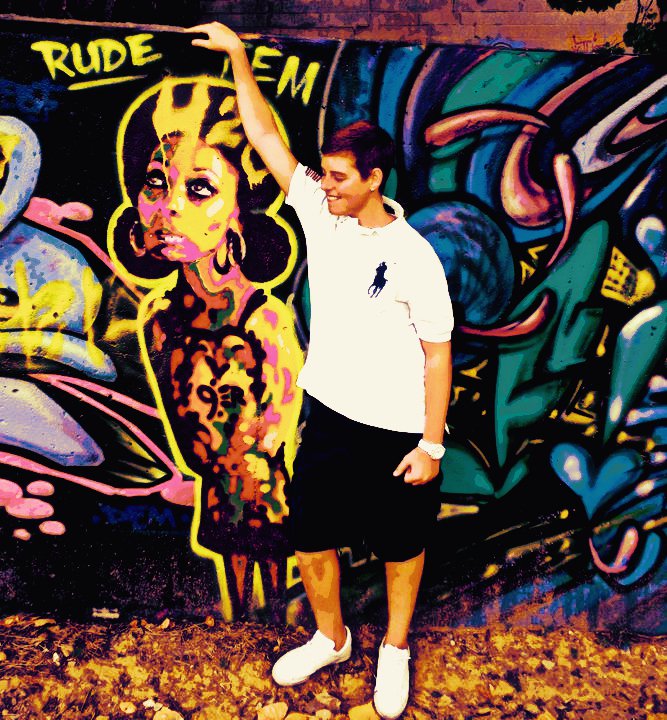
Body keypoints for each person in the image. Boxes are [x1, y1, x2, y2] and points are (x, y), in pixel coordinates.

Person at [188, 23, 454, 719]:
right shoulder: (322, 213)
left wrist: (430, 446)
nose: (324, 184)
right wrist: (238, 57)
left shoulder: (415, 257)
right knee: (310, 541)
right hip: (330, 418)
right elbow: (264, 136)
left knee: (400, 548)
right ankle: (331, 639)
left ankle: (394, 648)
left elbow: (437, 354)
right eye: (325, 174)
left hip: (397, 430)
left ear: (373, 180)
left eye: (339, 177)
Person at [110, 77, 304, 615]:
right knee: (230, 552)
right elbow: (180, 423)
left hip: (261, 479)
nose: (169, 207)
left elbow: (281, 417)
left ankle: (273, 618)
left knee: (269, 549)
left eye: (199, 189)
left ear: (241, 208)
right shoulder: (160, 319)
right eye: (155, 182)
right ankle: (243, 622)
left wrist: (252, 454)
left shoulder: (263, 319)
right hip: (217, 481)